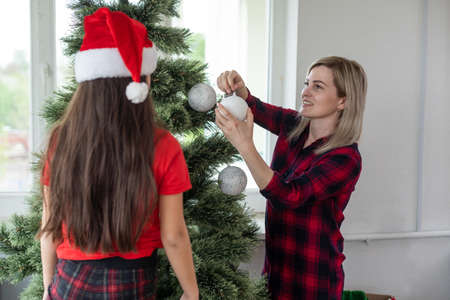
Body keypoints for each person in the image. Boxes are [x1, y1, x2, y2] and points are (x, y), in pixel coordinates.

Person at [38, 8, 198, 300]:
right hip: (133, 281)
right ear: (139, 83)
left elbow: (50, 228)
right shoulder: (163, 146)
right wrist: (191, 292)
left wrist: (48, 288)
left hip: (70, 279)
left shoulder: (60, 141)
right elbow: (173, 236)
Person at [215, 56, 367, 300]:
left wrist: (245, 145)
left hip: (313, 284)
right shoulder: (294, 126)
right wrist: (240, 92)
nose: (305, 92)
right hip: (275, 276)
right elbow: (256, 108)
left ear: (343, 101)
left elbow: (289, 195)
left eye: (318, 86)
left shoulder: (345, 158)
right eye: (306, 83)